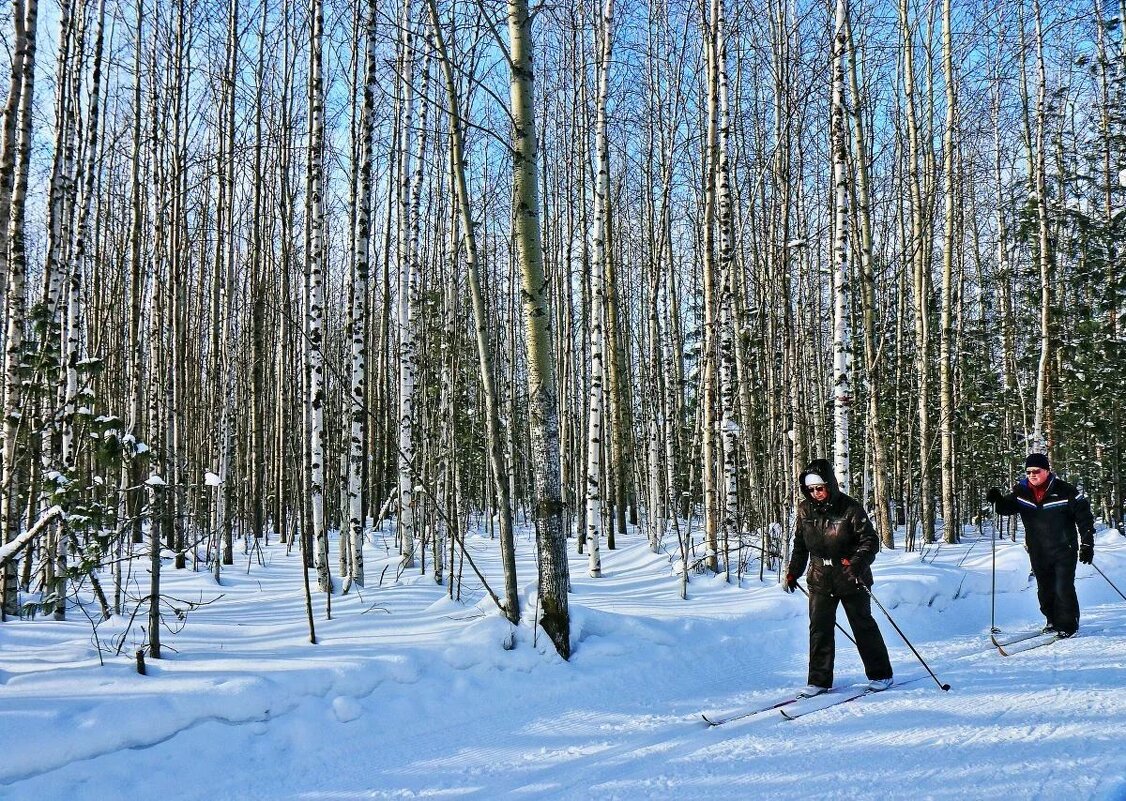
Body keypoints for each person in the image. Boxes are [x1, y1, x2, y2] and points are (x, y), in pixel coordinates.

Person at [783, 458, 893, 698]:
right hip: (820, 577)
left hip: (851, 576)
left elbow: (870, 541)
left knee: (862, 626)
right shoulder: (804, 510)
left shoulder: (850, 508)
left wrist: (857, 563)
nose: (816, 493)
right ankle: (819, 681)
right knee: (819, 629)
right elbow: (800, 545)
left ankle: (880, 674)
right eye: (810, 490)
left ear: (830, 485)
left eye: (819, 488)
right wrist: (794, 571)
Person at [987, 452, 1095, 638]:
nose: (1032, 475)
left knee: (1063, 587)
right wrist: (997, 499)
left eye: (1036, 471)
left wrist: (1087, 544)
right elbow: (1006, 508)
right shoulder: (1021, 492)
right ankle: (1052, 620)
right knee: (1045, 589)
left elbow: (1084, 517)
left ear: (1047, 470)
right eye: (1028, 472)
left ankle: (1068, 624)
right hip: (1038, 550)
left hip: (1064, 549)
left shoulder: (1065, 491)